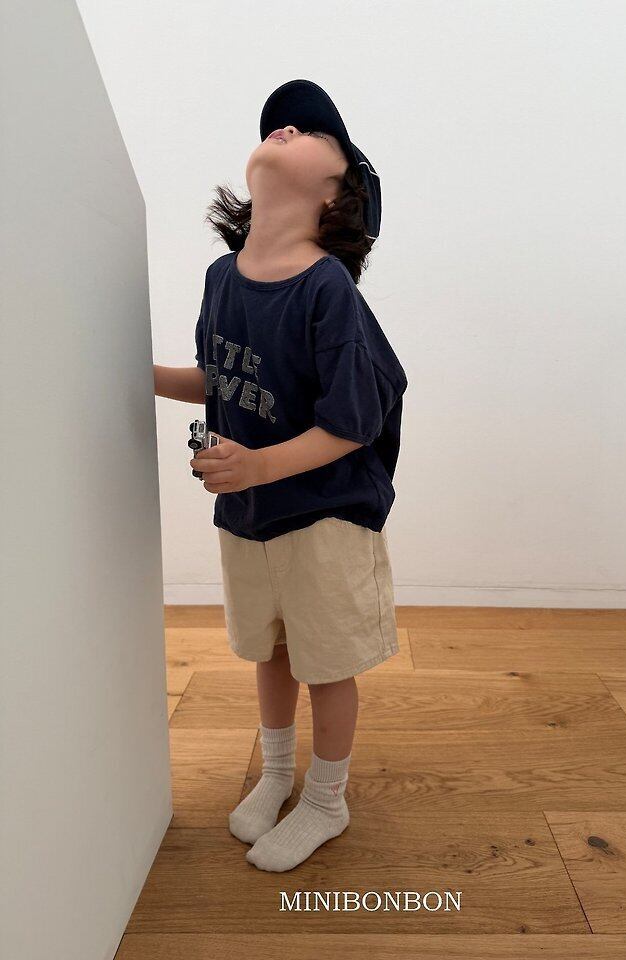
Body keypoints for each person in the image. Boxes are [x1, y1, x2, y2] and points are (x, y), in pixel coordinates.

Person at [154, 79, 408, 872]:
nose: (287, 128)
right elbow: (218, 377)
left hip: (324, 512)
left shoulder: (326, 287)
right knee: (271, 652)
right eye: (280, 125)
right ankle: (274, 775)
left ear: (339, 196)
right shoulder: (221, 277)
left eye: (312, 131)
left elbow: (352, 419)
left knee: (325, 660)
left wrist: (257, 462)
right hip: (251, 513)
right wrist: (143, 375)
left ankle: (327, 799)